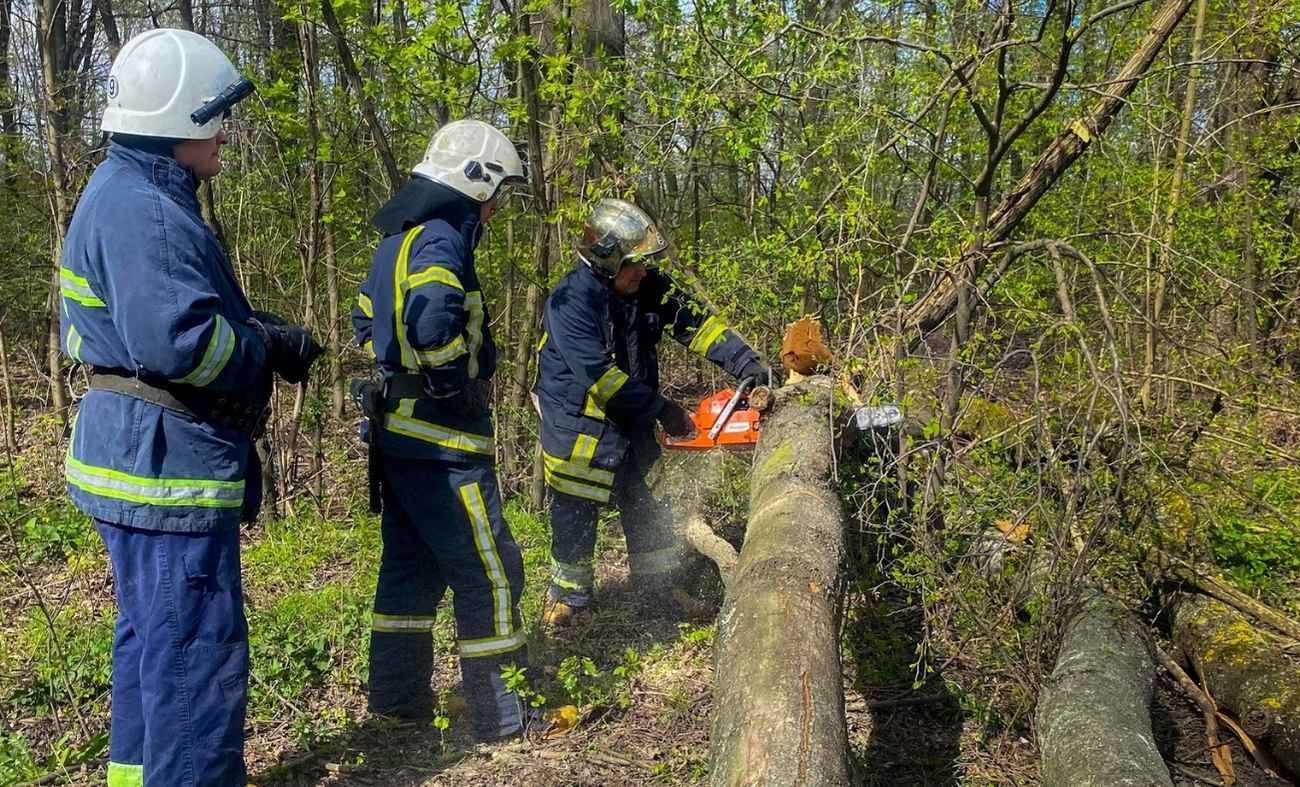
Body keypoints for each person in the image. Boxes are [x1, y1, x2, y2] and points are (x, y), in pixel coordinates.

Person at [60, 28, 323, 787]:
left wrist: (252, 327)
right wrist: (263, 348)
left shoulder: (124, 189)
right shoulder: (145, 209)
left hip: (139, 459)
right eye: (216, 117)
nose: (225, 133)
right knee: (193, 663)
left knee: (153, 647)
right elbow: (182, 345)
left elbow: (160, 320)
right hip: (165, 471)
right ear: (182, 121)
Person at [350, 120, 533, 740]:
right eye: (496, 192)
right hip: (444, 443)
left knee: (410, 568)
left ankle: (398, 704)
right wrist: (453, 382)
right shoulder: (441, 241)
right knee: (491, 570)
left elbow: (364, 319)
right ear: (474, 183)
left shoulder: (394, 241)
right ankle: (502, 713)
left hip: (398, 437)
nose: (495, 206)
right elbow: (430, 319)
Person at [533, 198, 775, 626]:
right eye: (635, 264)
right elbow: (599, 376)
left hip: (632, 412)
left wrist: (748, 365)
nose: (644, 272)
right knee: (576, 505)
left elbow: (699, 324)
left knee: (645, 498)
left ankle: (658, 590)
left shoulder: (648, 286)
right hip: (577, 421)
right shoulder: (570, 301)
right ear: (607, 262)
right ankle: (570, 600)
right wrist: (664, 409)